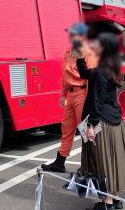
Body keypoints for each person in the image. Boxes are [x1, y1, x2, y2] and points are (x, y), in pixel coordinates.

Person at [78, 32, 125, 210]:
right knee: (112, 161)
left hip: (102, 121)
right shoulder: (112, 67)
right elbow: (87, 74)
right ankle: (115, 200)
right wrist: (79, 58)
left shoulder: (102, 71)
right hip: (113, 121)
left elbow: (97, 101)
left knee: (103, 163)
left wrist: (90, 126)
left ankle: (107, 205)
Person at [42, 22, 98, 173]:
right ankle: (60, 162)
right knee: (66, 129)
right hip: (71, 94)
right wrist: (63, 94)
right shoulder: (69, 51)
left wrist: (89, 101)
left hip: (82, 93)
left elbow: (92, 79)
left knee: (86, 130)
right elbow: (64, 75)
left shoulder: (88, 52)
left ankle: (89, 165)